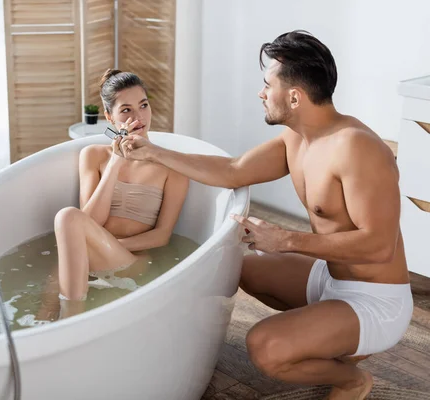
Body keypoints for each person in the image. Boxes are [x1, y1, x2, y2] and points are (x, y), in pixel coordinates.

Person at [118, 30, 413, 400]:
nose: (261, 93)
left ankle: (350, 379)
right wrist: (154, 152)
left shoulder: (357, 149)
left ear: (294, 96)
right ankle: (326, 338)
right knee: (239, 265)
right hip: (331, 279)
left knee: (265, 347)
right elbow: (234, 169)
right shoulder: (297, 137)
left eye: (266, 84)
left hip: (376, 301)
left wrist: (286, 239)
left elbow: (380, 246)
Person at [51, 69, 189, 318]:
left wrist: (110, 244)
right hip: (92, 253)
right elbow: (90, 221)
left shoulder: (172, 165)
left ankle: (70, 323)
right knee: (45, 304)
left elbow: (162, 236)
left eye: (143, 105)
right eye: (126, 110)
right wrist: (115, 162)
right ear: (109, 117)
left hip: (132, 262)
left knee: (66, 218)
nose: (138, 116)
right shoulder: (93, 155)